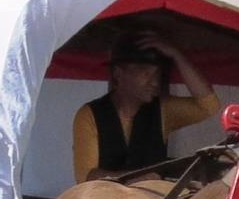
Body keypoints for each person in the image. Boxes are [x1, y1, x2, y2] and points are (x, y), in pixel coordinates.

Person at [72, 33, 220, 183]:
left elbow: (209, 105)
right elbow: (86, 178)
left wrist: (177, 55)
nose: (155, 82)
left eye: (157, 74)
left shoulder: (163, 111)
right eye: (146, 73)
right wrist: (134, 178)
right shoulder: (90, 115)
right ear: (118, 73)